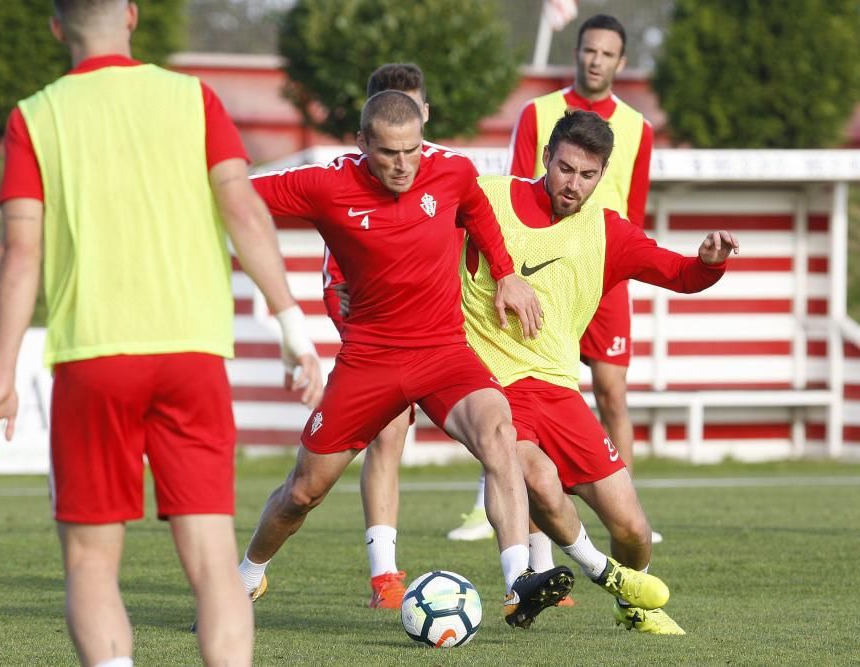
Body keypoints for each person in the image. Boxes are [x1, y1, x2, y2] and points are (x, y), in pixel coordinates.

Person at [0, 2, 323, 665]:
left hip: (94, 358)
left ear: (56, 27)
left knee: (90, 560)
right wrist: (291, 326)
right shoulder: (193, 98)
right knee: (214, 557)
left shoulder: (37, 115)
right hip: (190, 353)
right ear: (131, 16)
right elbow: (244, 208)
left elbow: (19, 252)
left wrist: (2, 373)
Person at [241, 90, 574, 630]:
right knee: (302, 493)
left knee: (499, 432)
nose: (402, 164)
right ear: (362, 144)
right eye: (388, 152)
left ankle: (518, 583)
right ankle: (246, 576)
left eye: (412, 150)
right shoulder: (325, 183)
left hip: (444, 351)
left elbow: (477, 209)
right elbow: (237, 195)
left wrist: (506, 271)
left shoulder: (451, 171)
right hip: (369, 361)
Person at [462, 109, 739, 634]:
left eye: (587, 175)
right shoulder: (489, 199)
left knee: (634, 528)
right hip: (493, 388)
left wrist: (708, 262)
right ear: (546, 158)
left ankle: (632, 604)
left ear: (603, 174)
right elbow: (415, 232)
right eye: (565, 169)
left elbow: (680, 274)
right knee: (538, 480)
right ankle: (565, 577)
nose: (573, 184)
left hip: (561, 393)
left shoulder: (608, 232)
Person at [449, 13, 661, 564]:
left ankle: (621, 506)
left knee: (612, 393)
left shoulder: (639, 128)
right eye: (588, 50)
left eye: (607, 54)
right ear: (577, 51)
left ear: (621, 62)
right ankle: (532, 548)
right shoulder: (539, 113)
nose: (596, 60)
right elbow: (518, 199)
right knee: (524, 410)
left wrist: (616, 262)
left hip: (598, 270)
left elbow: (633, 213)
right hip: (534, 271)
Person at [320, 63, 431, 610]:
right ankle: (385, 575)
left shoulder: (448, 174)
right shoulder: (344, 184)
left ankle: (529, 567)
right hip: (381, 342)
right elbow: (333, 280)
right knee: (386, 442)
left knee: (507, 434)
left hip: (450, 337)